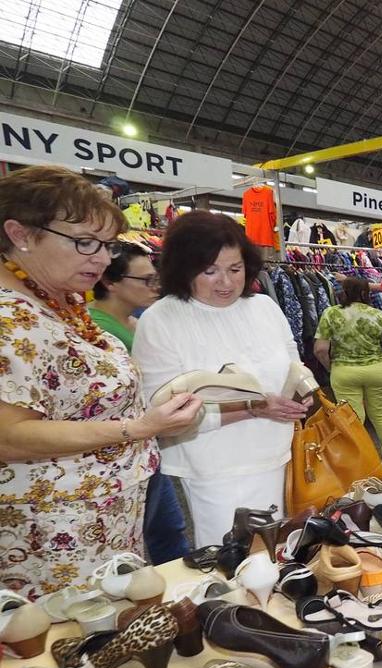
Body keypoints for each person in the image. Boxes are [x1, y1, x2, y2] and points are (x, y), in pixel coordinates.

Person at [0, 166, 201, 597]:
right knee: (61, 640)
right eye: (84, 242)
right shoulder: (8, 316)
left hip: (101, 522)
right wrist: (141, 428)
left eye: (106, 245)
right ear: (20, 233)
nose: (103, 258)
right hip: (51, 535)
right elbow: (9, 437)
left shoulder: (60, 301)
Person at [134, 211, 309, 548]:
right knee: (230, 556)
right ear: (184, 269)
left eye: (235, 269)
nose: (226, 283)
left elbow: (292, 365)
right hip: (214, 465)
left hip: (275, 453)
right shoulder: (161, 320)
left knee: (273, 550)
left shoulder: (263, 308)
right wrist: (254, 408)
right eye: (209, 271)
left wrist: (303, 392)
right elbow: (164, 412)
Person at [89, 244, 190, 563]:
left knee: (168, 530)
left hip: (145, 445)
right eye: (145, 280)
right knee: (147, 536)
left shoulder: (141, 321)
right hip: (116, 449)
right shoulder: (95, 330)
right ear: (110, 282)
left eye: (155, 278)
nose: (155, 287)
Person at [313, 277, 382, 469]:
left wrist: (330, 367)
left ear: (343, 292)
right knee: (380, 414)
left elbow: (320, 349)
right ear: (366, 293)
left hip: (344, 370)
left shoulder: (331, 314)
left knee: (353, 416)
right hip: (376, 369)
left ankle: (360, 457)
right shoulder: (378, 315)